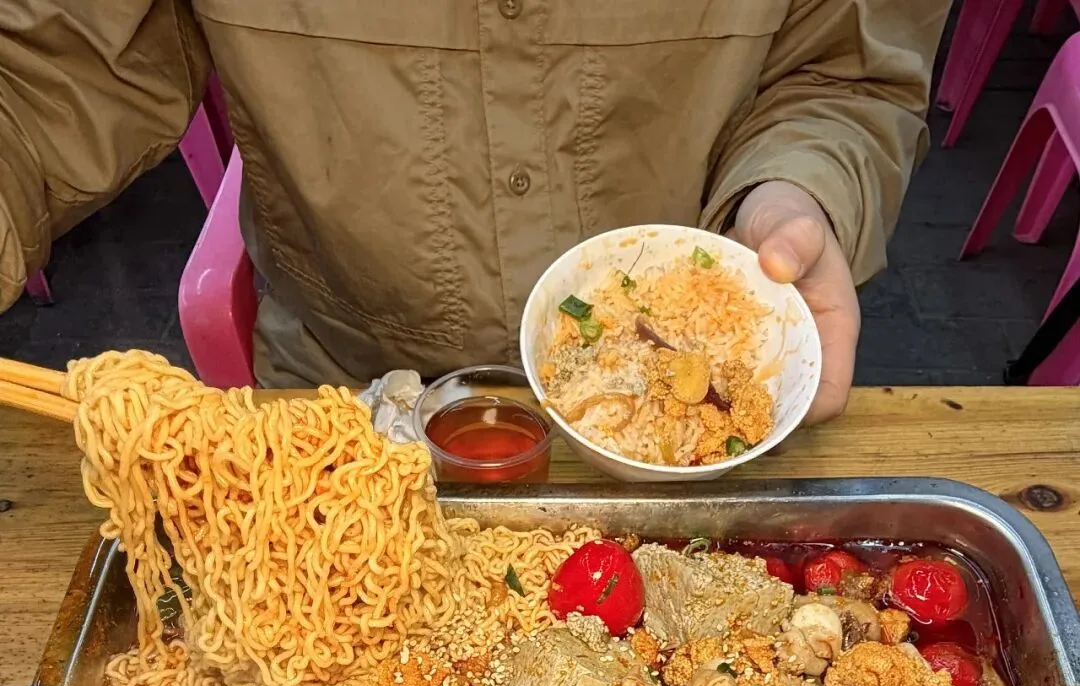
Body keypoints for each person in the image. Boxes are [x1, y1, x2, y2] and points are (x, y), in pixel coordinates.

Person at [0, 2, 949, 421]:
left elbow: (845, 67)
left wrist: (797, 184)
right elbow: (44, 73)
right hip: (345, 399)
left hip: (692, 403)